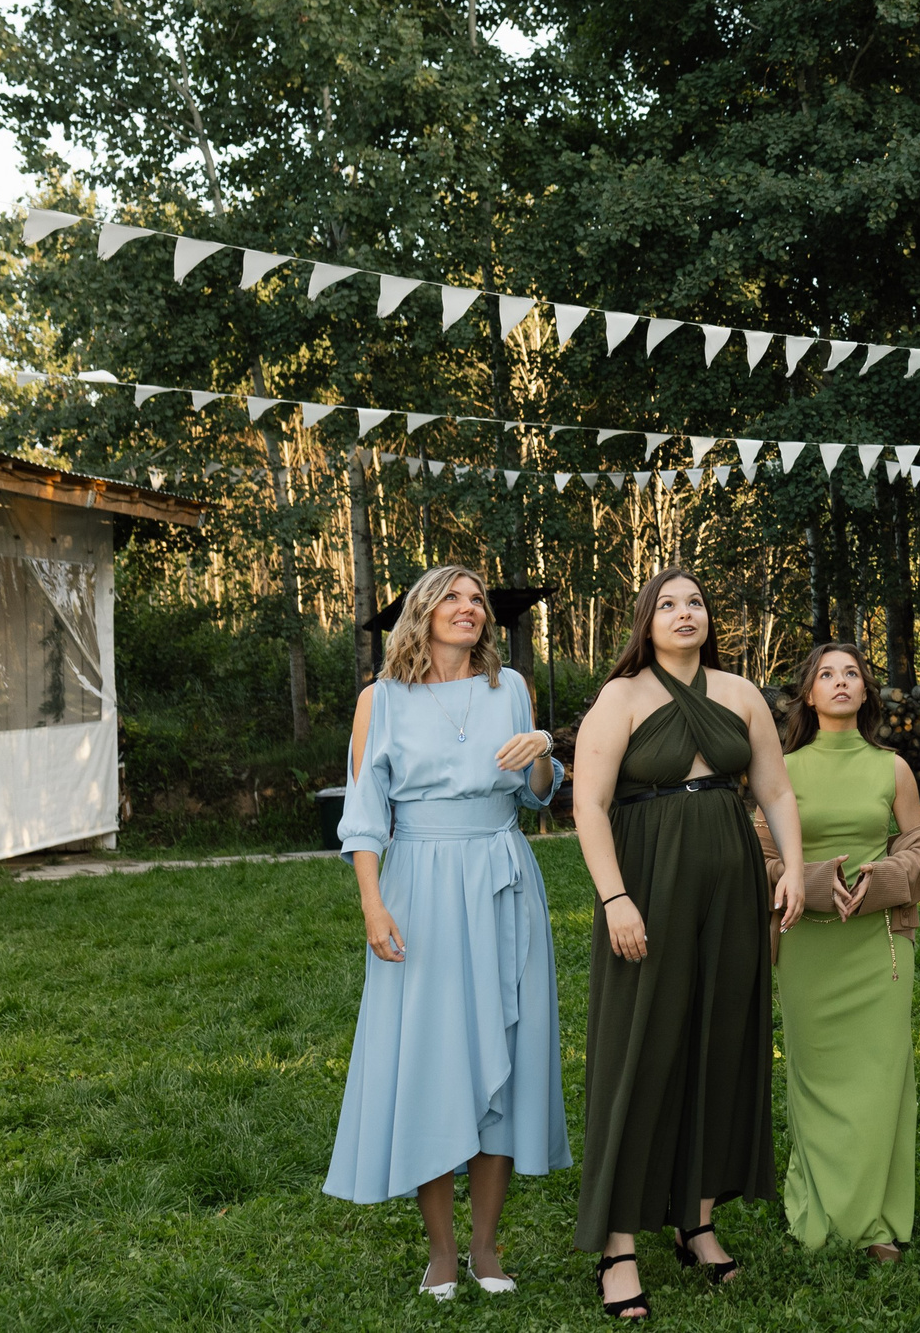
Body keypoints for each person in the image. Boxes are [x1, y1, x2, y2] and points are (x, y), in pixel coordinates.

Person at [324, 565, 567, 1300]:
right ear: (422, 614)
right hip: (419, 882)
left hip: (502, 876)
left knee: (505, 1052)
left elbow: (538, 798)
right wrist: (372, 902)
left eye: (477, 600)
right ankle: (440, 1251)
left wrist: (544, 755)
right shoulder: (381, 699)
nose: (468, 609)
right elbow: (366, 811)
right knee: (431, 1058)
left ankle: (488, 1248)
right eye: (452, 598)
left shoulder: (512, 687)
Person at [571, 568, 805, 1321]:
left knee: (721, 1041)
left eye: (695, 602)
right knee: (642, 1049)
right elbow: (589, 801)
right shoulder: (624, 695)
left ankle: (697, 1219)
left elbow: (774, 789)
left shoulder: (741, 693)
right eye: (668, 603)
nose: (684, 613)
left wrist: (793, 868)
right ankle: (616, 1244)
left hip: (732, 884)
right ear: (645, 619)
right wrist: (615, 897)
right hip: (647, 884)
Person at [762, 642, 920, 1261]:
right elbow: (762, 859)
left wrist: (879, 881)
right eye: (826, 675)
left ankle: (877, 1222)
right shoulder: (780, 769)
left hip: (878, 947)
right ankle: (822, 1208)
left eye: (852, 674)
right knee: (816, 1079)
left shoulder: (892, 768)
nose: (839, 683)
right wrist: (808, 885)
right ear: (808, 694)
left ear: (866, 693)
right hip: (807, 944)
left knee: (881, 1079)